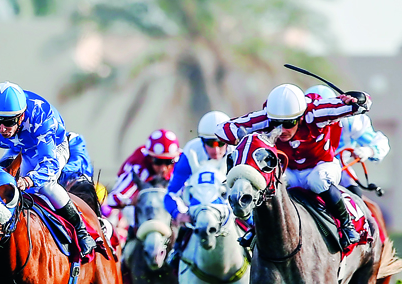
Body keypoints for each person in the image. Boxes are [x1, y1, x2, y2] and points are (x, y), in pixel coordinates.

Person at [215, 83, 370, 252]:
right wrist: (244, 137)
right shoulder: (266, 119)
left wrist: (353, 99)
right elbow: (223, 129)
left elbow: (363, 103)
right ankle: (256, 228)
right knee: (268, 182)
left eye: (289, 123)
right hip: (289, 170)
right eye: (276, 123)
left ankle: (346, 225)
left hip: (320, 165)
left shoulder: (316, 112)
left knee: (317, 181)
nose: (282, 130)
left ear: (301, 117)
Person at [0, 82, 96, 256]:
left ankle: (81, 231)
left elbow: (49, 162)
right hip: (19, 149)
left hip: (52, 148)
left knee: (46, 186)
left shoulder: (40, 116)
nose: (2, 128)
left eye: (9, 122)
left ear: (22, 115)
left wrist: (29, 180)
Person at [164, 112, 230, 259]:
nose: (217, 150)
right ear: (202, 141)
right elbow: (171, 194)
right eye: (210, 143)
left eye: (221, 143)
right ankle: (177, 255)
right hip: (198, 209)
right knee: (181, 236)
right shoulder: (190, 151)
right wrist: (178, 214)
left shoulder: (237, 151)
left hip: (230, 206)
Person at [107, 129, 182, 212]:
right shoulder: (138, 165)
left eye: (169, 162)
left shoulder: (183, 162)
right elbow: (112, 199)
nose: (163, 168)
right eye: (158, 161)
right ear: (149, 158)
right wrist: (131, 201)